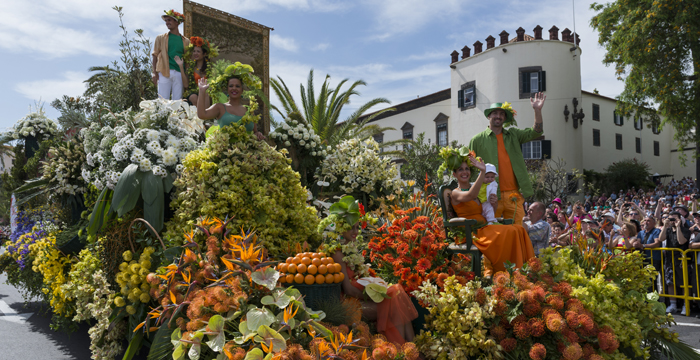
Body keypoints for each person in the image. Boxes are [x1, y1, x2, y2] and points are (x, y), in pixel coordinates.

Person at [326, 204, 417, 343]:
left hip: (359, 298)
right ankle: (405, 349)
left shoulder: (350, 249)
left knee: (397, 295)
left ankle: (411, 347)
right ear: (341, 228)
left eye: (357, 227)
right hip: (348, 303)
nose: (355, 231)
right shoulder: (337, 253)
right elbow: (349, 290)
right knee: (394, 303)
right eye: (351, 227)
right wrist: (373, 296)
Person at [448, 155, 534, 276]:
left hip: (485, 228)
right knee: (511, 232)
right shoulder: (456, 192)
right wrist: (483, 171)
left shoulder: (476, 189)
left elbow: (487, 211)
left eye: (467, 169)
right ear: (454, 174)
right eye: (460, 169)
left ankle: (526, 270)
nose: (465, 172)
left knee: (519, 229)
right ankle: (505, 273)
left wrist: (493, 203)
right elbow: (470, 196)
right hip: (471, 232)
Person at [468, 93, 546, 225]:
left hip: (513, 195)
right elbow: (470, 168)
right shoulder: (477, 140)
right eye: (495, 113)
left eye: (502, 114)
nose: (498, 116)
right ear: (489, 116)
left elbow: (536, 132)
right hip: (490, 196)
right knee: (492, 232)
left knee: (519, 231)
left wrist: (537, 110)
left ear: (505, 118)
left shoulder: (514, 135)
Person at [197, 74, 265, 140]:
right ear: (227, 89)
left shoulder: (249, 111)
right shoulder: (220, 107)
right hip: (224, 150)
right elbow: (202, 115)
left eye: (237, 86)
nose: (234, 88)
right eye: (231, 86)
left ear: (242, 90)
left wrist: (258, 134)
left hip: (249, 150)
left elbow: (255, 132)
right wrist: (202, 91)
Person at [152, 9, 190, 100]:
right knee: (162, 100)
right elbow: (155, 55)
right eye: (166, 21)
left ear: (176, 22)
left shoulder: (186, 41)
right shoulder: (160, 38)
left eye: (169, 20)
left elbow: (187, 59)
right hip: (164, 72)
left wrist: (187, 75)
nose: (167, 22)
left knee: (177, 102)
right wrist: (154, 72)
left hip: (180, 73)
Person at [658, 211, 690, 314]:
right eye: (671, 219)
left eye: (675, 218)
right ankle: (673, 304)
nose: (672, 221)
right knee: (670, 282)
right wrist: (665, 226)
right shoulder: (667, 230)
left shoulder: (685, 230)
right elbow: (660, 238)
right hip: (669, 260)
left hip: (681, 260)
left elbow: (681, 241)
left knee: (684, 283)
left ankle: (686, 304)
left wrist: (678, 227)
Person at [182, 36, 217, 106]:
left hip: (207, 93)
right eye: (194, 51)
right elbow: (186, 85)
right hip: (194, 93)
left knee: (206, 94)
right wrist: (180, 66)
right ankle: (198, 115)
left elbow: (214, 83)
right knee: (193, 97)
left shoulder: (211, 68)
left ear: (204, 54)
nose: (195, 53)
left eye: (198, 51)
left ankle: (207, 116)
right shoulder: (191, 67)